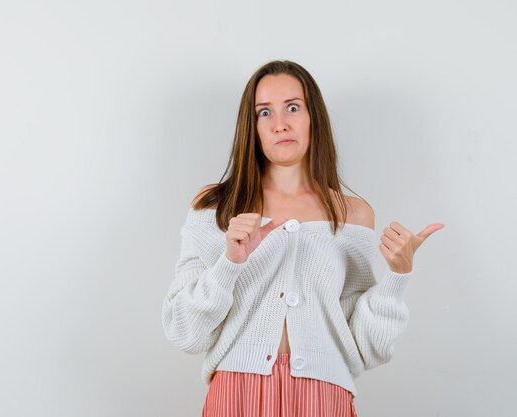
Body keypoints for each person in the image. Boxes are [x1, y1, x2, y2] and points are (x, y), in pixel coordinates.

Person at [161, 60, 443, 417]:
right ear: (252, 127)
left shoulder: (352, 215)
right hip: (237, 394)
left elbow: (367, 348)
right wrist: (229, 264)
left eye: (293, 107)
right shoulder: (216, 207)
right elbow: (183, 331)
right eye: (265, 113)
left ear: (314, 118)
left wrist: (397, 277)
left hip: (324, 397)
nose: (280, 124)